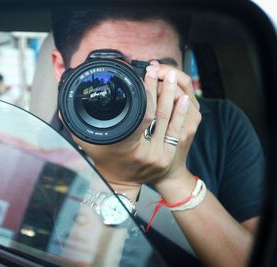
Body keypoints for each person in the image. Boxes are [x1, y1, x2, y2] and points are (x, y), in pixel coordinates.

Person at [50, 7, 264, 267]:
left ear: (181, 67)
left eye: (157, 73)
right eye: (110, 72)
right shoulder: (33, 146)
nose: (140, 91)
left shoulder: (222, 124)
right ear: (62, 68)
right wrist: (118, 180)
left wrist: (174, 175)